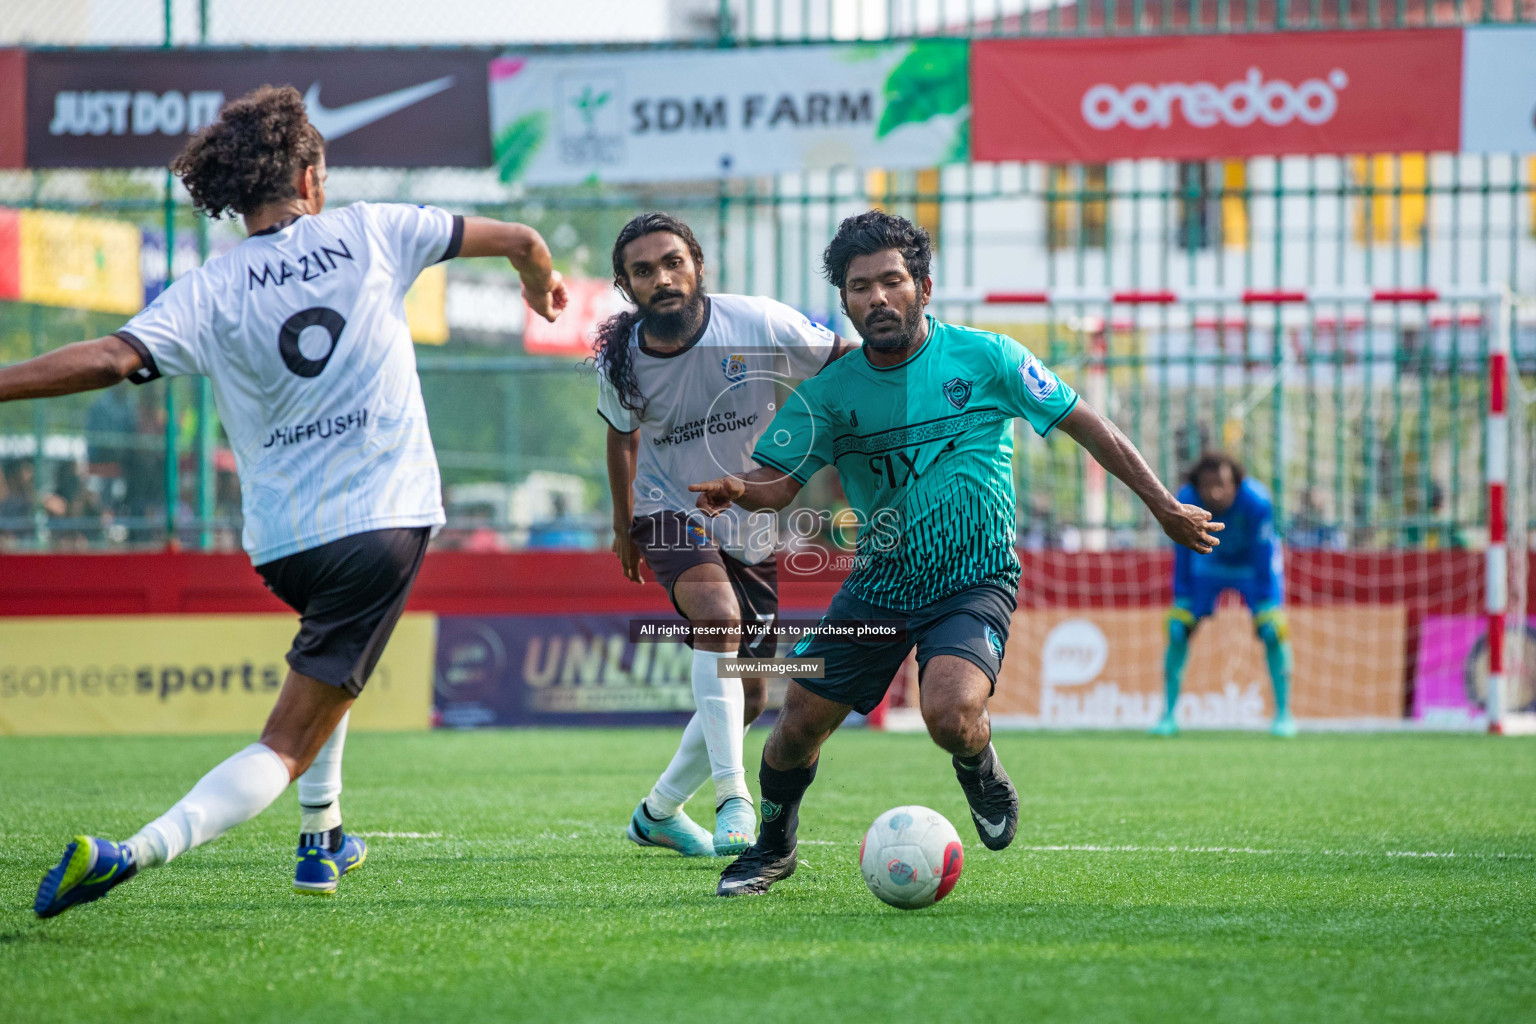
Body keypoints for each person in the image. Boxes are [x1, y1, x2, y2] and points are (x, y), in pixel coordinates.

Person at [5, 85, 567, 919]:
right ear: (310, 175)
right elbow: (520, 236)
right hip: (382, 521)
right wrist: (537, 280)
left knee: (331, 666)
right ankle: (130, 852)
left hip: (283, 546)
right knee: (285, 741)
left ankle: (322, 840)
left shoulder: (207, 288)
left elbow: (108, 358)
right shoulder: (374, 230)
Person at [690, 211, 1220, 896]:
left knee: (950, 716)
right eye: (859, 288)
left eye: (891, 281)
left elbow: (1090, 425)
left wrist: (1163, 506)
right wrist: (741, 488)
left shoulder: (988, 357)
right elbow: (778, 484)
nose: (877, 298)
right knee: (795, 728)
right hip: (879, 586)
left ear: (924, 287)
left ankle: (977, 767)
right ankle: (773, 848)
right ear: (846, 301)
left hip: (975, 577)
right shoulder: (827, 394)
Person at [595, 212, 850, 857]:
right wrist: (626, 524)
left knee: (751, 693)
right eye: (644, 271)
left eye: (672, 262)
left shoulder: (759, 321)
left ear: (698, 263)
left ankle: (657, 812)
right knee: (717, 615)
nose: (663, 278)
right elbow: (621, 438)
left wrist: (830, 447)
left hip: (749, 519)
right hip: (666, 509)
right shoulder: (621, 359)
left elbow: (841, 364)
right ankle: (733, 795)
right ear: (626, 287)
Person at [1152, 452, 1295, 738]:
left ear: (1236, 484)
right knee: (1177, 629)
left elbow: (1263, 552)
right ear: (1197, 486)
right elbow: (1182, 550)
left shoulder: (1257, 501)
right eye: (1207, 484)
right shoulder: (1185, 498)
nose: (1215, 491)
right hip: (1207, 562)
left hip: (1252, 569)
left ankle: (1283, 716)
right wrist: (1182, 596)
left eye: (1222, 484)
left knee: (1273, 632)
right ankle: (1167, 716)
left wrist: (1266, 603)